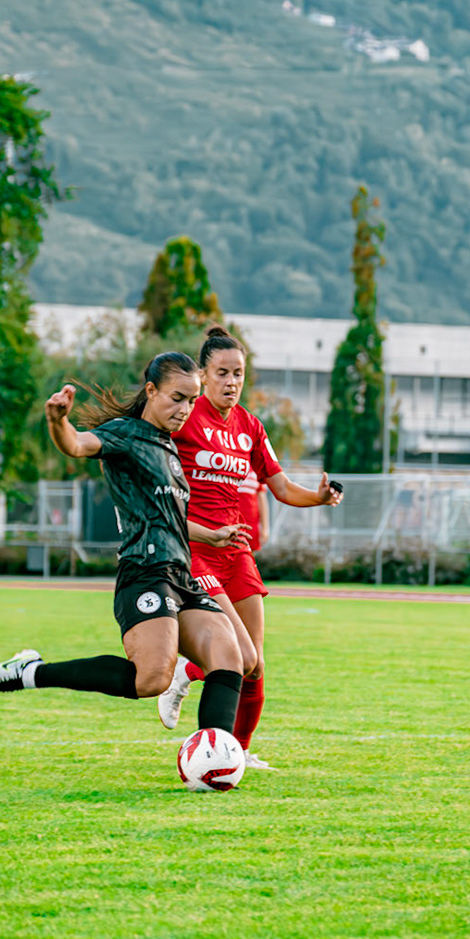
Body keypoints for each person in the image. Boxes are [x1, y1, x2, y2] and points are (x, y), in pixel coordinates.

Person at [0, 353, 249, 743]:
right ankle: (30, 671)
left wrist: (210, 535)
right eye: (177, 397)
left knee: (231, 658)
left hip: (182, 575)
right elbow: (78, 445)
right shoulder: (126, 433)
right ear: (151, 391)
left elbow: (166, 517)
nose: (185, 409)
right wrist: (57, 421)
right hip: (145, 572)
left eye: (191, 400)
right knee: (151, 679)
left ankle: (214, 757)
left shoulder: (168, 448)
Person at [163, 325, 343, 768]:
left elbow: (280, 487)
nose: (231, 382)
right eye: (222, 372)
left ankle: (236, 752)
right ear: (203, 376)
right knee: (236, 655)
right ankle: (190, 689)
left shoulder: (249, 426)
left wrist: (318, 497)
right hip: (198, 550)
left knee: (256, 664)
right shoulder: (187, 417)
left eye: (238, 373)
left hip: (237, 553)